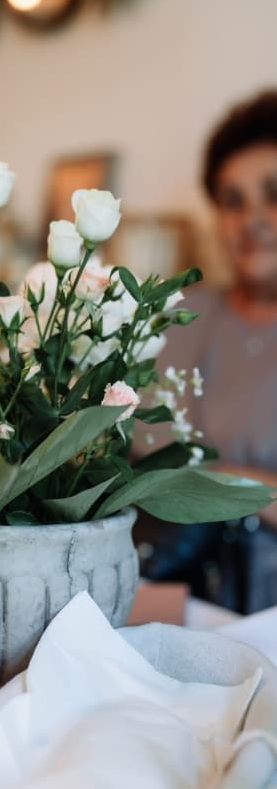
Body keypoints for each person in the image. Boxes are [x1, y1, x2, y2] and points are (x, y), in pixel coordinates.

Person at [138, 89, 277, 612]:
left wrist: (217, 481)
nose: (252, 220)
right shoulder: (173, 316)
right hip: (160, 590)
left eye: (273, 194)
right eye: (233, 200)